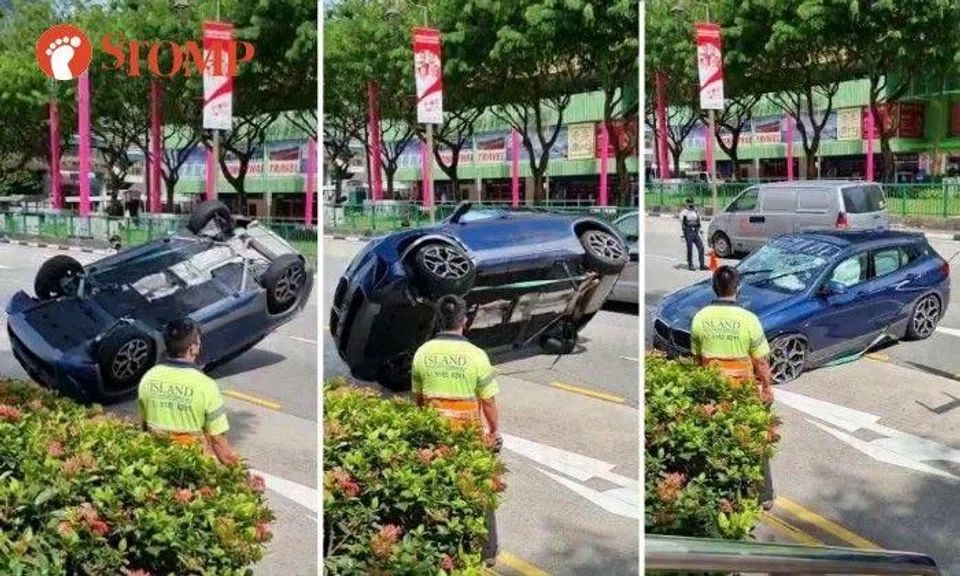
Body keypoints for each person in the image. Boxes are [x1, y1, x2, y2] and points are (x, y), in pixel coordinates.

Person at [412, 295, 500, 565]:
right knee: (478, 490)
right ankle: (487, 550)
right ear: (465, 321)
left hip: (434, 438)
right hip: (468, 438)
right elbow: (488, 402)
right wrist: (494, 432)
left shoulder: (423, 353)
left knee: (435, 490)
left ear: (439, 320)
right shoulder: (476, 356)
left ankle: (437, 547)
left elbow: (418, 401)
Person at [690, 266, 775, 510]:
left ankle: (717, 493)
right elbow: (760, 361)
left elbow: (697, 361)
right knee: (755, 441)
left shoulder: (700, 318)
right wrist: (767, 387)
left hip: (713, 394)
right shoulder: (749, 320)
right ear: (738, 288)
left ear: (714, 288)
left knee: (714, 442)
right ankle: (763, 495)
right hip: (743, 393)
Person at [138, 318, 239, 466]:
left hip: (156, 465)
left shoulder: (148, 378)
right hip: (191, 469)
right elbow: (219, 443)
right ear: (193, 348)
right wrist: (240, 476)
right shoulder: (206, 386)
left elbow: (144, 427)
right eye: (198, 342)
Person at [679, 198, 708, 271]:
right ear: (687, 204)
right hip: (688, 232)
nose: (691, 205)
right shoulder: (683, 213)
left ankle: (702, 265)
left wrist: (701, 230)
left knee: (701, 247)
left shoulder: (695, 211)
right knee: (690, 249)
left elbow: (699, 221)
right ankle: (690, 265)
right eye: (689, 203)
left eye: (692, 203)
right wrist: (682, 234)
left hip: (695, 231)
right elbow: (681, 224)